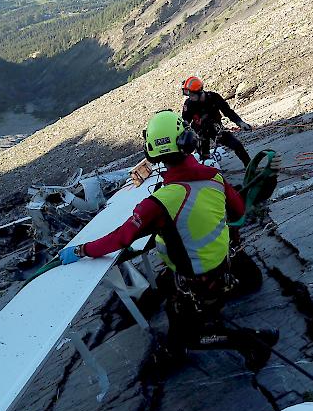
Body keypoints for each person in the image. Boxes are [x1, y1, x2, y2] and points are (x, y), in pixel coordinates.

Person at [58, 110, 278, 371]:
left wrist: (82, 250)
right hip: (221, 265)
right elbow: (238, 212)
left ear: (152, 153)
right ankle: (173, 337)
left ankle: (250, 342)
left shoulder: (159, 203)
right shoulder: (213, 178)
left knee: (189, 336)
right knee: (168, 297)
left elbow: (121, 238)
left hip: (196, 280)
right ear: (187, 142)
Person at [181, 76, 252, 167]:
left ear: (199, 92)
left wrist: (240, 123)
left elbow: (228, 112)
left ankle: (249, 166)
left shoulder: (214, 97)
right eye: (189, 95)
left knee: (237, 145)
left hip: (216, 129)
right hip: (200, 133)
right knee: (204, 157)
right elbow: (186, 122)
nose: (190, 97)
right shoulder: (189, 104)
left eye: (192, 95)